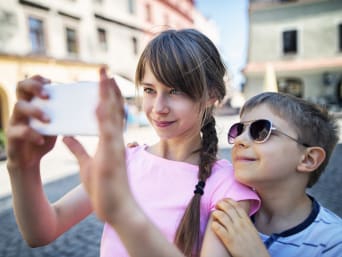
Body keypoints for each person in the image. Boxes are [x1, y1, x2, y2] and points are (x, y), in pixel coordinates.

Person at [6, 29, 260, 257]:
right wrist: (23, 166)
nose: (158, 108)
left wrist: (122, 212)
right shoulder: (126, 161)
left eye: (175, 91)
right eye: (149, 90)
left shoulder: (226, 185)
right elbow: (42, 231)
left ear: (211, 96)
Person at [211, 92, 342, 257]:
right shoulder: (226, 213)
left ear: (308, 159)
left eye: (261, 131)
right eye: (239, 130)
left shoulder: (334, 243)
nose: (239, 140)